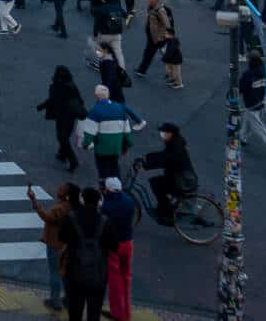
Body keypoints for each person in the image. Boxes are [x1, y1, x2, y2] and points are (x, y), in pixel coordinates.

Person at [57, 186, 117, 321]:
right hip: (98, 275)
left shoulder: (71, 218)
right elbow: (114, 245)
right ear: (99, 202)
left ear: (82, 200)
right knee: (94, 313)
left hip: (74, 274)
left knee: (75, 313)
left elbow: (62, 237)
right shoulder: (105, 221)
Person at [29, 182, 77, 313]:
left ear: (67, 195)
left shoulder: (60, 209)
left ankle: (55, 301)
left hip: (55, 244)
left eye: (62, 189)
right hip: (67, 244)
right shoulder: (73, 206)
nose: (58, 189)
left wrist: (34, 200)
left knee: (55, 273)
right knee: (65, 273)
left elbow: (47, 217)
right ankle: (68, 299)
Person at [136, 123, 194, 225]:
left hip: (182, 180)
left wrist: (146, 166)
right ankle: (164, 209)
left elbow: (165, 160)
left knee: (156, 184)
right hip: (178, 177)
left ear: (170, 133)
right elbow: (163, 156)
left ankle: (166, 213)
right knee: (156, 183)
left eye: (164, 132)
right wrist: (148, 157)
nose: (161, 134)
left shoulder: (175, 146)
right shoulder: (175, 143)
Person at [81, 85, 143, 180]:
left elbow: (89, 133)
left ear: (96, 96)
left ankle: (105, 185)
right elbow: (126, 130)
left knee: (103, 170)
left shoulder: (94, 111)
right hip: (116, 147)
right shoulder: (120, 108)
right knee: (114, 166)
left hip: (101, 148)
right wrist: (127, 145)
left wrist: (85, 145)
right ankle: (117, 184)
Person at [99, 176, 136, 321]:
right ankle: (127, 313)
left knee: (115, 280)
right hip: (128, 242)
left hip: (114, 245)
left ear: (107, 190)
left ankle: (118, 313)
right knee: (126, 277)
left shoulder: (106, 207)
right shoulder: (129, 201)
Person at [37, 66, 87, 171]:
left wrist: (41, 106)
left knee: (62, 137)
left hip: (62, 115)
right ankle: (62, 154)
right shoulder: (71, 85)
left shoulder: (58, 86)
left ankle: (72, 160)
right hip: (71, 116)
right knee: (65, 136)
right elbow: (80, 100)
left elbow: (52, 100)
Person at [237, 51, 266, 160]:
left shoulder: (248, 74)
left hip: (251, 104)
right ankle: (242, 138)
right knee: (247, 120)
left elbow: (241, 88)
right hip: (261, 102)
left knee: (260, 129)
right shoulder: (265, 72)